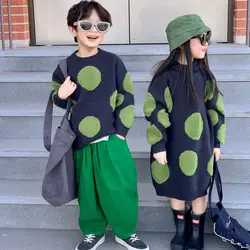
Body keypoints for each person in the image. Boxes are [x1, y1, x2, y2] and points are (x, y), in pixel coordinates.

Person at [51, 1, 149, 250]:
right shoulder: (65, 67)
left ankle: (125, 231)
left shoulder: (113, 62)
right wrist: (60, 95)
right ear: (73, 29)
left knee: (121, 188)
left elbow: (126, 96)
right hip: (80, 141)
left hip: (110, 139)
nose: (94, 30)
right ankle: (93, 231)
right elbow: (60, 102)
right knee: (88, 191)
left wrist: (121, 133)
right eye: (86, 24)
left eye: (101, 25)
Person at [143, 14, 226, 250]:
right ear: (182, 42)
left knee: (200, 186)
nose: (206, 43)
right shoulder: (165, 78)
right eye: (201, 37)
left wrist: (217, 142)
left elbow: (216, 110)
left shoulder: (205, 76)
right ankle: (180, 230)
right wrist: (158, 144)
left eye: (208, 37)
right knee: (176, 184)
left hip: (201, 144)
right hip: (172, 144)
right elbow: (155, 110)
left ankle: (196, 231)